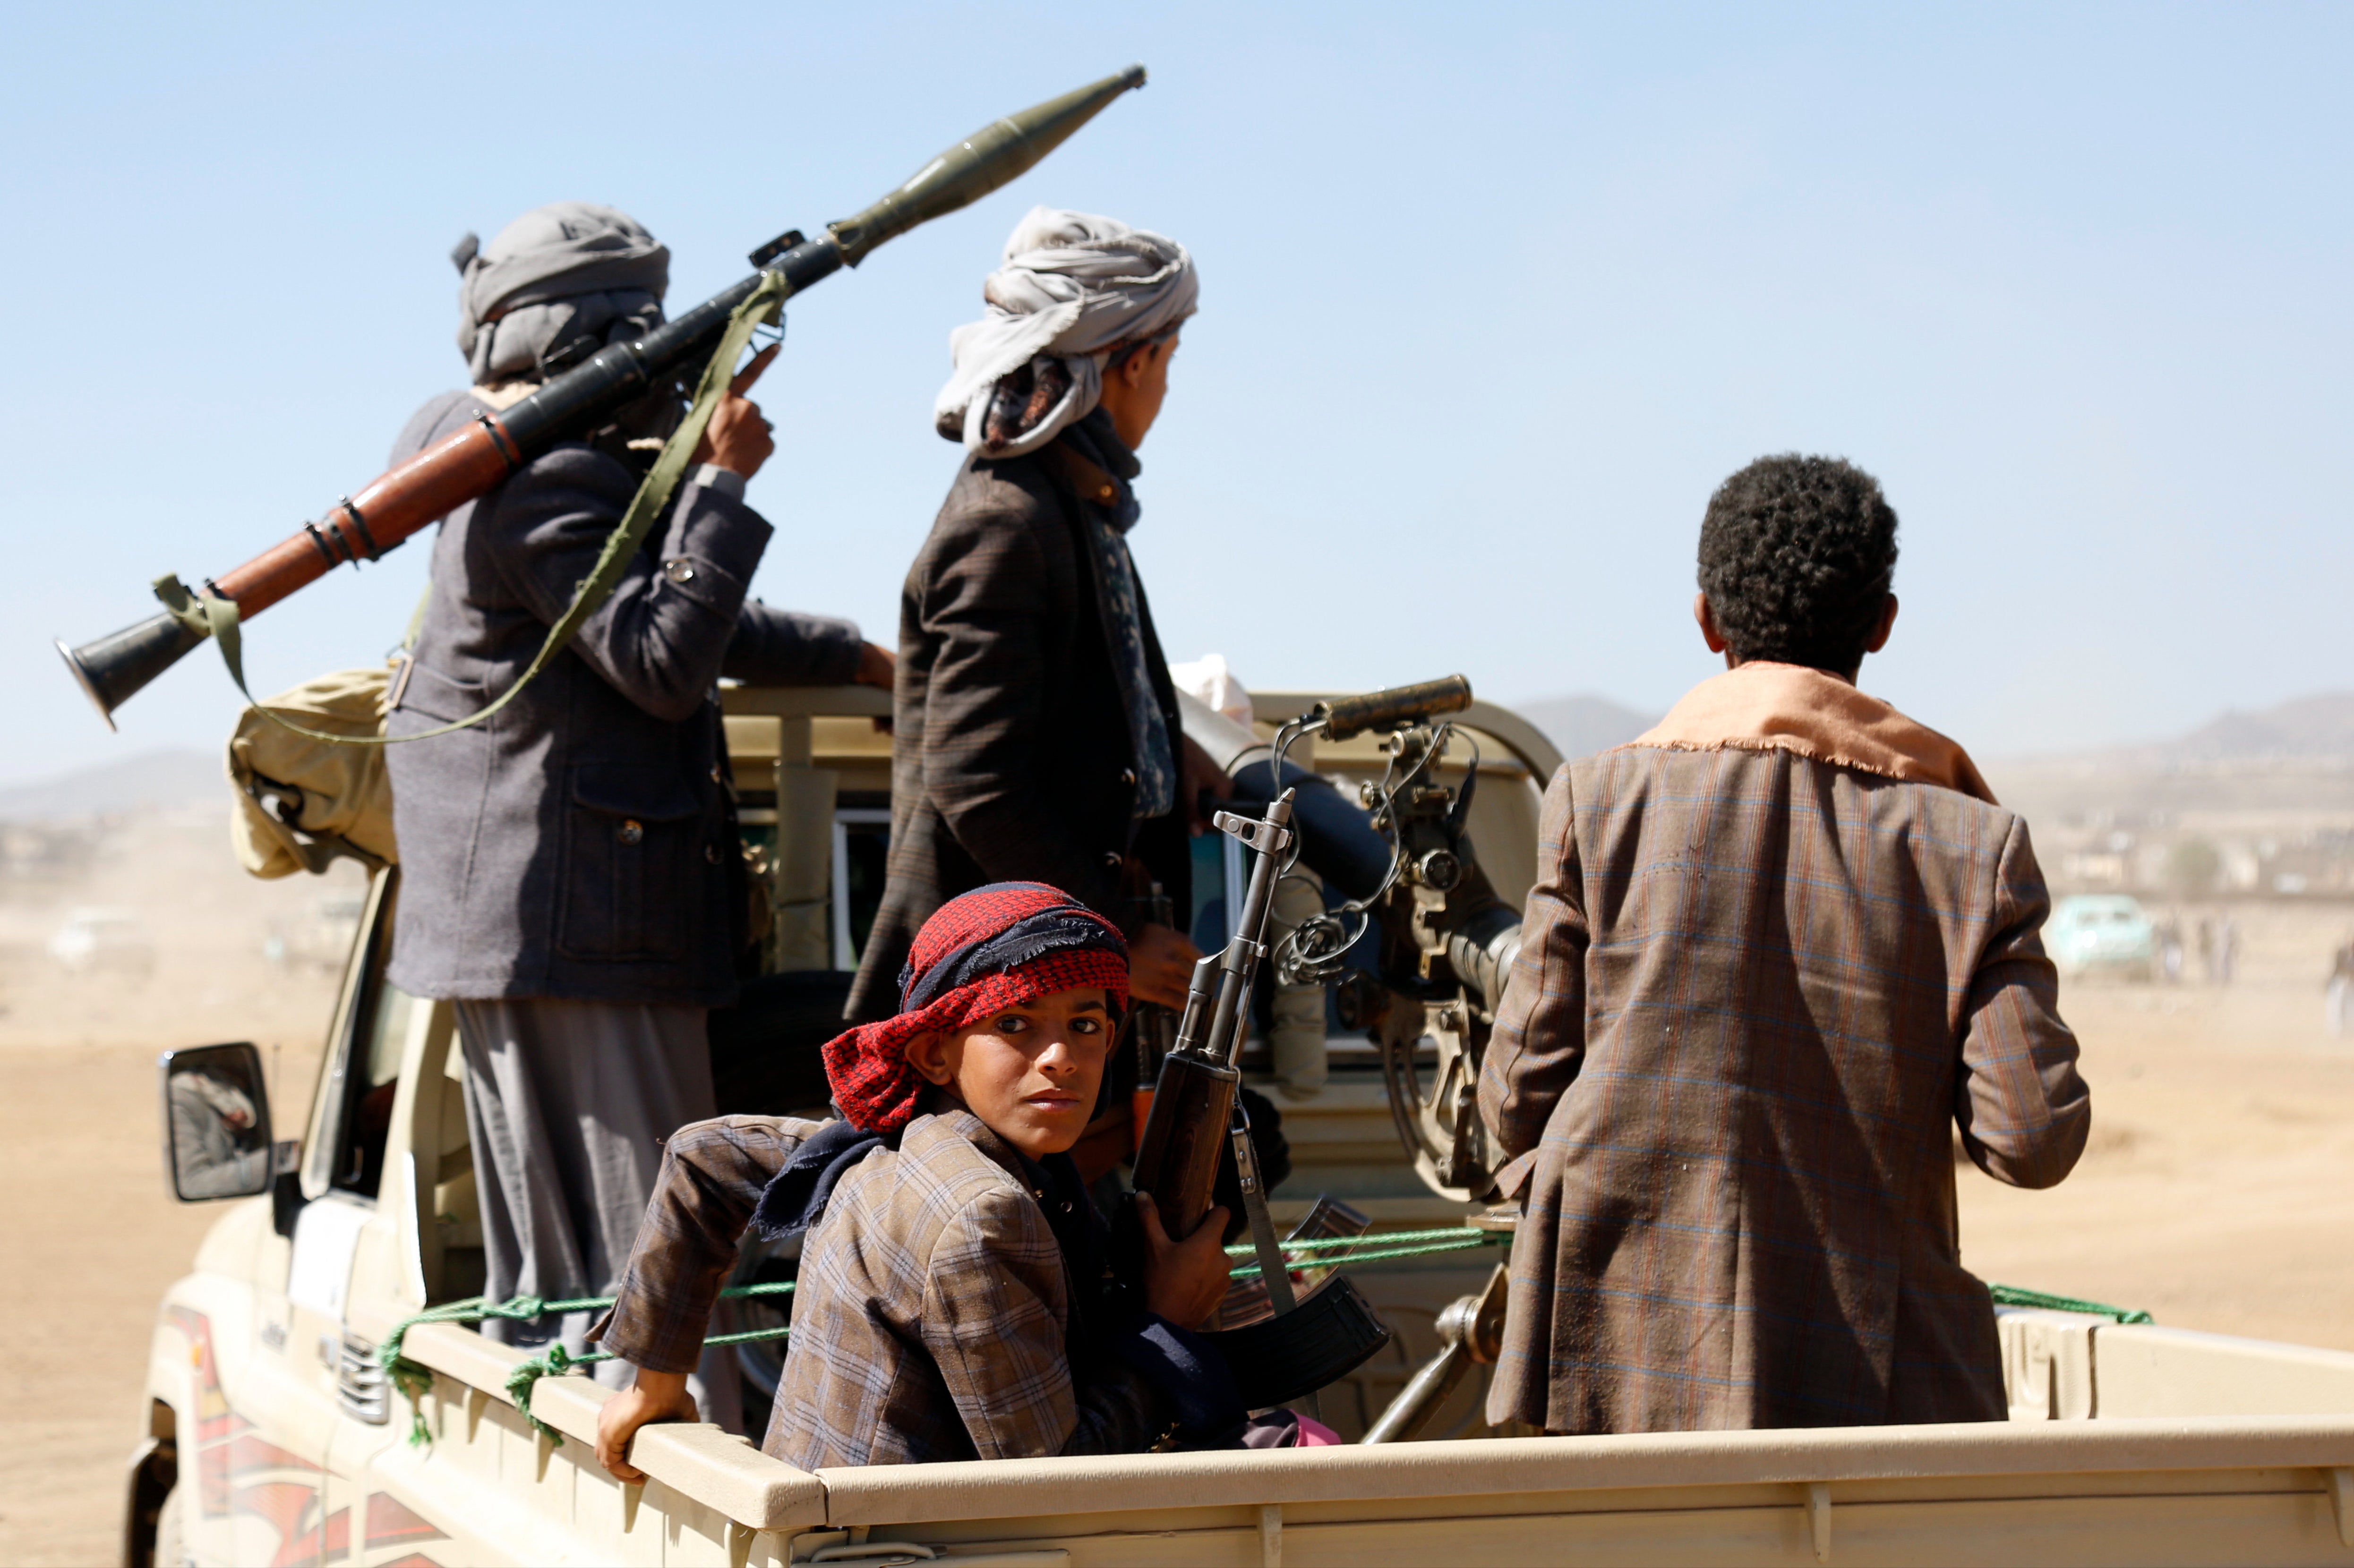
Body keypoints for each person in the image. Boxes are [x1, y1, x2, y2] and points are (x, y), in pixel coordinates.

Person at [380, 203, 891, 1422]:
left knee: (574, 1272)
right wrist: (721, 482)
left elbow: (647, 624)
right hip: (586, 912)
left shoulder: (496, 451)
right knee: (653, 1251)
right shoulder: (542, 465)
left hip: (546, 907)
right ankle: (677, 1462)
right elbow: (662, 653)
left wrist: (858, 658)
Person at [1479, 454, 2091, 1434]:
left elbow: (1515, 1103)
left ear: (1706, 621)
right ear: (1881, 623)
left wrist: (1575, 1204)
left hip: (1616, 1383)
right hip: (1868, 1405)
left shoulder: (1594, 803)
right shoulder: (1972, 843)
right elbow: (2030, 1138)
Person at [591, 882, 1254, 1474]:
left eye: (1084, 1025)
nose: (1059, 1058)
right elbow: (1053, 1480)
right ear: (933, 1052)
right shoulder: (984, 1214)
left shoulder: (884, 1146)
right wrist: (1168, 1321)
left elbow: (703, 1155)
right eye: (1013, 1024)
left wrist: (655, 1384)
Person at [847, 208, 1227, 1038]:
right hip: (997, 999)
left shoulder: (1067, 501)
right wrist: (1113, 932)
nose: (1165, 387)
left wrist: (1166, 752)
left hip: (1039, 987)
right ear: (1134, 361)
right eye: (1167, 359)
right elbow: (975, 781)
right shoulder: (1006, 522)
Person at [2328, 937, 2354, 1039]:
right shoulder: (2342, 954)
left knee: (2350, 1006)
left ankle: (2349, 1029)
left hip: (2351, 983)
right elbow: (2338, 968)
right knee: (2337, 1005)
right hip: (2341, 982)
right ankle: (2337, 1030)